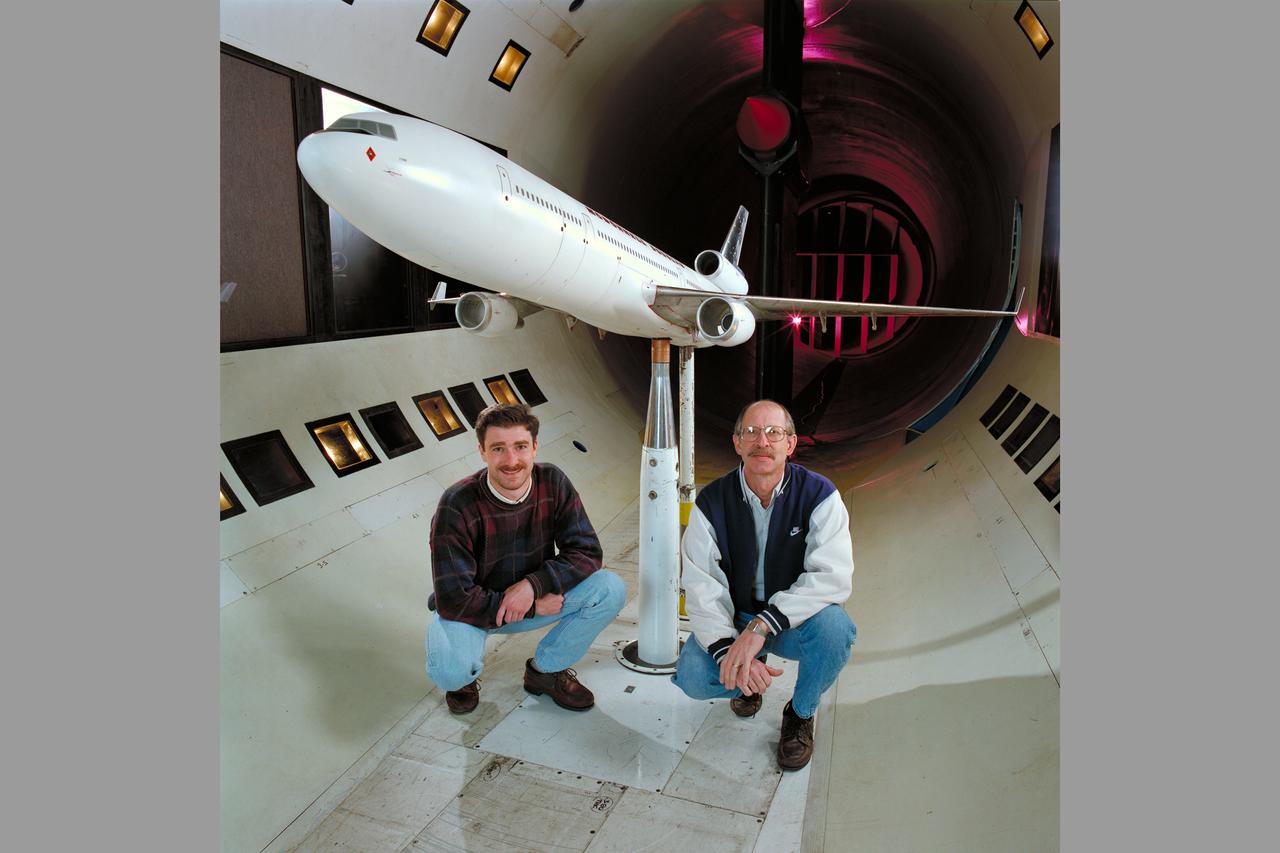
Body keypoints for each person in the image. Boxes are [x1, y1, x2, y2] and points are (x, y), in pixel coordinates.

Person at [673, 399, 856, 770]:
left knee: (836, 630)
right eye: (752, 432)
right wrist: (728, 651)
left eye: (774, 432)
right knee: (692, 676)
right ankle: (747, 679)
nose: (763, 442)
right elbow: (702, 586)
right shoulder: (712, 502)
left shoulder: (820, 495)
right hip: (737, 616)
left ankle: (800, 714)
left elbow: (831, 576)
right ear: (737, 443)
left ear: (791, 444)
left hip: (791, 620)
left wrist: (764, 625)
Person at [426, 403, 625, 715]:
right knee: (451, 672)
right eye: (498, 449)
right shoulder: (457, 503)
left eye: (520, 446)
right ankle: (463, 679)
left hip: (537, 596)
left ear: (534, 447)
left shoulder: (552, 480)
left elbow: (586, 551)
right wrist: (532, 607)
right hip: (474, 610)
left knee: (609, 589)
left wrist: (534, 586)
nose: (511, 460)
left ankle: (545, 671)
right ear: (482, 452)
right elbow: (453, 598)